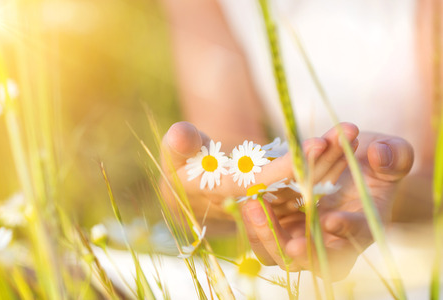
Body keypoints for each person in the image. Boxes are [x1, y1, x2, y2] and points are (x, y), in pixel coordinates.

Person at [159, 0, 431, 280]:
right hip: (307, 237)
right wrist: (203, 196)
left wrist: (378, 189)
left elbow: (435, 175)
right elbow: (229, 144)